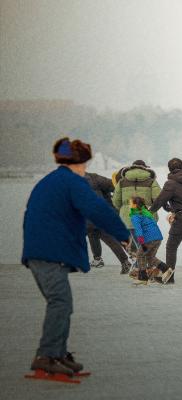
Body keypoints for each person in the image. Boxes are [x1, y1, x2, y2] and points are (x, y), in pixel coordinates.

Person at [22, 137, 130, 377]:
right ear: (77, 161)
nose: (85, 167)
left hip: (42, 250)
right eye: (84, 162)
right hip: (49, 252)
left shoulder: (50, 181)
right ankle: (47, 356)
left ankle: (56, 354)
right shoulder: (72, 182)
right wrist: (123, 234)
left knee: (62, 304)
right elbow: (97, 208)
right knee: (60, 303)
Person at [84, 171, 131, 273]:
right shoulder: (93, 177)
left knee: (108, 238)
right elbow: (112, 185)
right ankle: (97, 259)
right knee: (93, 234)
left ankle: (126, 260)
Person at [112, 160, 161, 240]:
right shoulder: (151, 181)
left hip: (127, 218)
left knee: (135, 247)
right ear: (145, 168)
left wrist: (124, 209)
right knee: (146, 246)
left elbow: (116, 201)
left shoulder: (122, 182)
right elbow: (158, 199)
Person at [129, 196, 168, 282]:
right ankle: (166, 269)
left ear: (135, 205)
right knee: (150, 257)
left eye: (131, 203)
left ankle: (142, 276)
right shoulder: (146, 212)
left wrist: (142, 243)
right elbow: (153, 224)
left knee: (140, 255)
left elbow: (139, 230)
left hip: (149, 238)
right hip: (158, 237)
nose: (129, 205)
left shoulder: (135, 216)